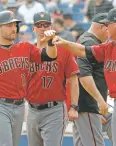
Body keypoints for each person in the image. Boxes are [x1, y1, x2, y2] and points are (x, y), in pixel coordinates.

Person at [53, 8, 116, 146]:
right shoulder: (110, 45)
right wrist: (63, 42)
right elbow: (83, 51)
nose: (105, 28)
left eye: (108, 25)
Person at [0, 10, 57, 146]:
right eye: (9, 25)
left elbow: (50, 56)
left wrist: (51, 43)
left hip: (19, 106)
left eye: (15, 25)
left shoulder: (26, 47)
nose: (14, 28)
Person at [26, 12, 80, 146]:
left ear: (52, 27)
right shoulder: (28, 51)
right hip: (32, 110)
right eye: (39, 25)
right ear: (33, 28)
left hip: (54, 109)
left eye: (46, 25)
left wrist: (73, 106)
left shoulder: (63, 50)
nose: (43, 28)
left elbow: (73, 80)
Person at [73, 13, 110, 146]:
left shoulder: (86, 40)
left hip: (83, 104)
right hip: (88, 104)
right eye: (108, 28)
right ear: (102, 27)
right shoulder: (89, 42)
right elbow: (84, 76)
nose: (109, 33)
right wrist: (100, 102)